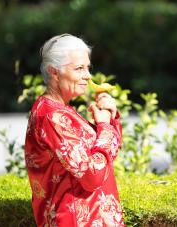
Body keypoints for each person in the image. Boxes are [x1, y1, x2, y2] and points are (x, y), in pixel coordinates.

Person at [24, 34, 125, 227]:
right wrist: (104, 126)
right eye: (79, 68)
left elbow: (105, 156)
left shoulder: (63, 110)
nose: (87, 75)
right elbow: (91, 176)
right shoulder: (51, 117)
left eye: (88, 67)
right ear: (54, 72)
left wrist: (109, 117)